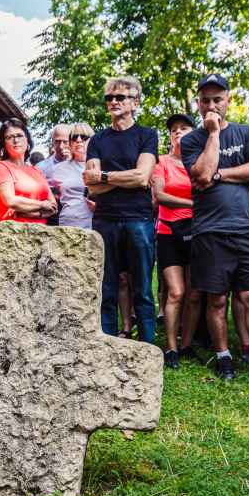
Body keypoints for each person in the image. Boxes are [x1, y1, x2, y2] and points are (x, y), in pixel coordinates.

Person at [181, 74, 249, 386]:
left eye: (218, 99)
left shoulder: (245, 132)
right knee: (216, 299)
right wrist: (213, 134)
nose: (212, 105)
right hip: (209, 230)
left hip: (244, 229)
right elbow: (201, 175)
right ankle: (223, 356)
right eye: (206, 100)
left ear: (228, 100)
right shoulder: (191, 140)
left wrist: (220, 174)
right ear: (198, 103)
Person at [83, 76, 158, 343]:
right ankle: (108, 346)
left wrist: (104, 176)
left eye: (120, 97)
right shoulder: (97, 140)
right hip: (105, 221)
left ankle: (147, 348)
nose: (113, 101)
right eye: (109, 98)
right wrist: (126, 177)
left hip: (139, 220)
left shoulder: (147, 135)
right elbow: (91, 187)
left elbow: (142, 177)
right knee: (107, 288)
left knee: (143, 289)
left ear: (135, 102)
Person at [152, 113, 201, 369]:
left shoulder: (200, 163)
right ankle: (171, 348)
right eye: (174, 130)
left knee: (193, 294)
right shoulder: (161, 162)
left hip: (197, 231)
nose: (178, 132)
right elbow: (159, 196)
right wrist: (192, 203)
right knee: (176, 292)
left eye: (184, 128)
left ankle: (187, 345)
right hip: (169, 232)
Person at [0, 118, 57, 225]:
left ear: (27, 140)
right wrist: (42, 205)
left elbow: (53, 206)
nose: (16, 140)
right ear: (4, 144)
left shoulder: (36, 170)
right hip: (13, 231)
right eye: (9, 137)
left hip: (40, 231)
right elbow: (10, 201)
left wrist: (30, 214)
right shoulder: (1, 167)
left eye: (19, 135)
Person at [52, 122, 95, 229]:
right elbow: (52, 195)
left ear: (92, 140)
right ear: (70, 142)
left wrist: (101, 207)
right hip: (68, 223)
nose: (79, 140)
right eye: (74, 137)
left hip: (96, 222)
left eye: (84, 137)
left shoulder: (101, 166)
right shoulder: (58, 169)